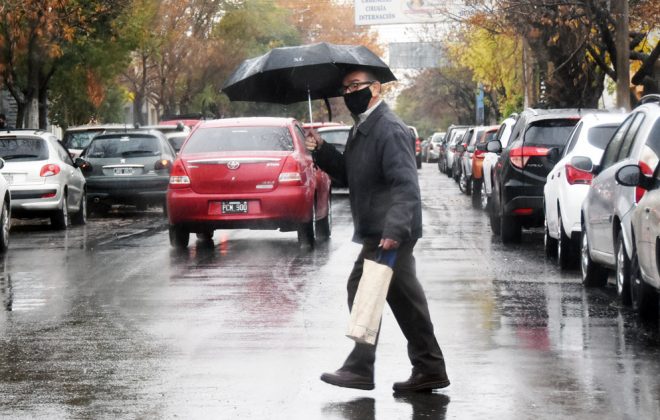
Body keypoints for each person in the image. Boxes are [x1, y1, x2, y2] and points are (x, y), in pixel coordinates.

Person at [304, 67, 449, 393]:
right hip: (380, 228)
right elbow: (348, 174)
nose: (349, 92)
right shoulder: (364, 129)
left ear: (377, 88)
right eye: (346, 87)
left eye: (356, 85)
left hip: (389, 229)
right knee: (406, 301)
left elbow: (405, 186)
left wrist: (394, 230)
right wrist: (322, 149)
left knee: (363, 288)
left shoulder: (390, 129)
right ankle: (430, 368)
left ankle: (360, 367)